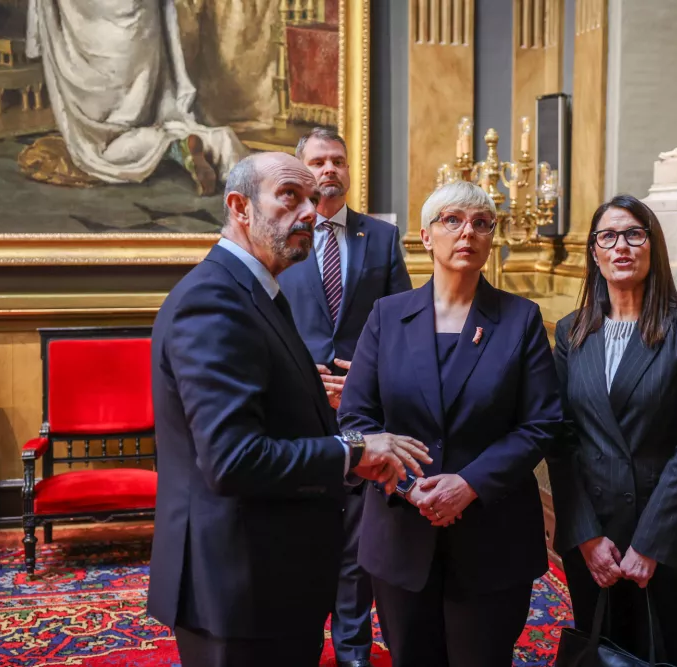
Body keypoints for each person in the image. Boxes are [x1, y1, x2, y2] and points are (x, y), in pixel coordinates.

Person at [146, 152, 432, 667]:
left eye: (313, 199)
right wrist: (355, 450)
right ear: (240, 207)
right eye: (290, 196)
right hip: (234, 584)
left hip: (269, 578)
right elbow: (233, 460)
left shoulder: (256, 292)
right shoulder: (214, 301)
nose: (310, 211)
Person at [337, 181, 563, 667]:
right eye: (453, 220)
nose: (468, 233)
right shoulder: (387, 315)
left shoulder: (520, 319)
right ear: (426, 236)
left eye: (482, 224)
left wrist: (469, 484)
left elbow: (541, 423)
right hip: (401, 529)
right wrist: (408, 486)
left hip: (492, 534)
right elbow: (355, 416)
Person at [548, 194, 677, 667]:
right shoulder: (570, 332)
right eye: (608, 236)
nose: (621, 246)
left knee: (662, 656)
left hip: (670, 536)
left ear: (653, 246)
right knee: (600, 656)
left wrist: (649, 543)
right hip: (594, 539)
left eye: (633, 234)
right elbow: (561, 441)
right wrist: (586, 536)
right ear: (594, 252)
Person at [277, 127, 412, 667]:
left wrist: (367, 378)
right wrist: (299, 375)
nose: (329, 169)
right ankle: (301, 642)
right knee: (304, 537)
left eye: (337, 160)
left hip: (363, 409)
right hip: (298, 409)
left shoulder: (380, 237)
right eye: (318, 162)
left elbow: (403, 322)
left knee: (358, 541)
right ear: (301, 171)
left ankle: (353, 650)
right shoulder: (283, 235)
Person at [25, 0, 247, 194]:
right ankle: (200, 145)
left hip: (94, 33)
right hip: (140, 24)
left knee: (100, 149)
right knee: (146, 114)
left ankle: (174, 147)